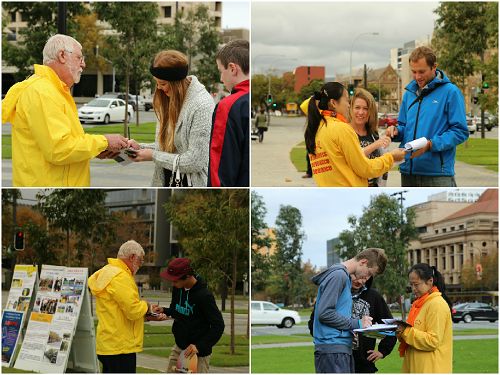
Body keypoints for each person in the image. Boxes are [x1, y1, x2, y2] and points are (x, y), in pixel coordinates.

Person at [1, 34, 128, 187]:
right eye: (79, 58)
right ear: (62, 55)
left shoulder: (54, 91)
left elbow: (66, 144)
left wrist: (97, 149)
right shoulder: (42, 92)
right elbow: (59, 149)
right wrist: (104, 141)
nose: (83, 65)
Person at [127, 50, 214, 187]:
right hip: (165, 181)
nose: (159, 88)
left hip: (191, 185)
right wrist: (140, 147)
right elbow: (170, 148)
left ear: (176, 83)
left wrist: (153, 155)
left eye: (163, 83)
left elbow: (195, 161)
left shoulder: (202, 105)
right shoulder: (166, 100)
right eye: (156, 83)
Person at [386, 46, 468, 187]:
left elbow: (460, 131)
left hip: (438, 175)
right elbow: (404, 127)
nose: (417, 77)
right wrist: (395, 131)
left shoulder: (451, 92)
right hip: (408, 172)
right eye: (414, 72)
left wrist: (431, 144)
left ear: (434, 67)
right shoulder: (408, 95)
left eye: (422, 71)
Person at [302, 82, 406, 187]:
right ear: (333, 103)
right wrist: (391, 157)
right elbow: (365, 169)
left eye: (365, 108)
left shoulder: (318, 128)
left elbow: (306, 105)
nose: (348, 105)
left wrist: (320, 96)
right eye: (347, 100)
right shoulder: (341, 129)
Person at [88, 240, 166, 373]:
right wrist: (147, 306)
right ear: (132, 257)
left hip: (108, 343)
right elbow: (133, 310)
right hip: (121, 347)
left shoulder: (107, 272)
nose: (140, 265)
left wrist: (148, 317)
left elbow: (120, 312)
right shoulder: (120, 276)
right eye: (140, 260)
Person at [311, 248, 388, 373]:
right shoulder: (338, 276)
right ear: (363, 262)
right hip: (333, 351)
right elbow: (324, 313)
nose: (367, 278)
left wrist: (350, 332)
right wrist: (357, 323)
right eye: (369, 273)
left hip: (339, 350)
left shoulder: (344, 277)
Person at [153, 258, 224, 373]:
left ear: (187, 276)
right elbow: (176, 310)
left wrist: (199, 346)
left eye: (175, 281)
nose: (173, 284)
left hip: (198, 355)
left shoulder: (204, 296)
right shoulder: (178, 289)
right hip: (179, 347)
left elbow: (218, 325)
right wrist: (164, 310)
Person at [395, 263, 453, 373]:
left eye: (416, 284)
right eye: (411, 285)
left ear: (430, 281)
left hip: (431, 368)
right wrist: (400, 332)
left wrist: (406, 331)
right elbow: (413, 334)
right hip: (416, 366)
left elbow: (432, 341)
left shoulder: (437, 304)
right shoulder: (419, 304)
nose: (413, 289)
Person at [208, 39, 249, 187]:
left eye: (221, 71)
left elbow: (220, 171)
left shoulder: (227, 106)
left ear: (232, 68)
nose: (221, 78)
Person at [351, 276, 397, 373]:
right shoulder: (337, 293)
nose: (359, 281)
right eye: (355, 276)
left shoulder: (373, 296)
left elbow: (390, 325)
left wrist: (383, 351)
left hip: (364, 363)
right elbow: (317, 321)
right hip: (338, 359)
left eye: (363, 277)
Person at [350, 88, 391, 187]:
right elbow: (354, 158)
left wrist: (386, 142)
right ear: (351, 109)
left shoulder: (374, 134)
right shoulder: (346, 132)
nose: (361, 112)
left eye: (365, 108)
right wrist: (375, 145)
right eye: (357, 107)